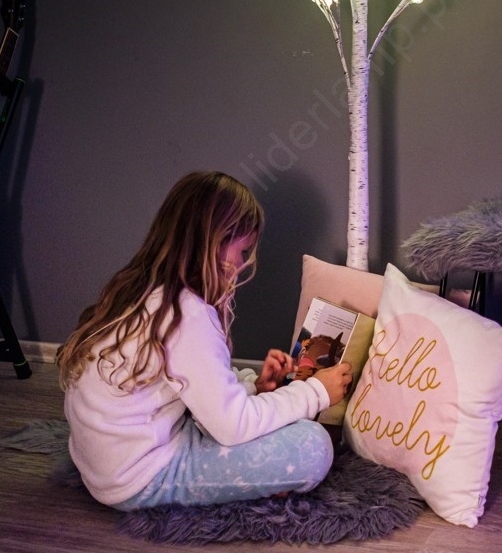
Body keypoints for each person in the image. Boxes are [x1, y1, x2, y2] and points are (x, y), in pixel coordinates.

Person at [56, 170, 352, 510]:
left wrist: (254, 387)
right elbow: (231, 426)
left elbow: (188, 388)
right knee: (312, 446)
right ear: (217, 243)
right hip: (140, 476)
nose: (241, 264)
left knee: (252, 397)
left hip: (107, 462)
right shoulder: (187, 313)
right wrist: (316, 392)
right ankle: (258, 481)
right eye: (242, 251)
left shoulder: (138, 289)